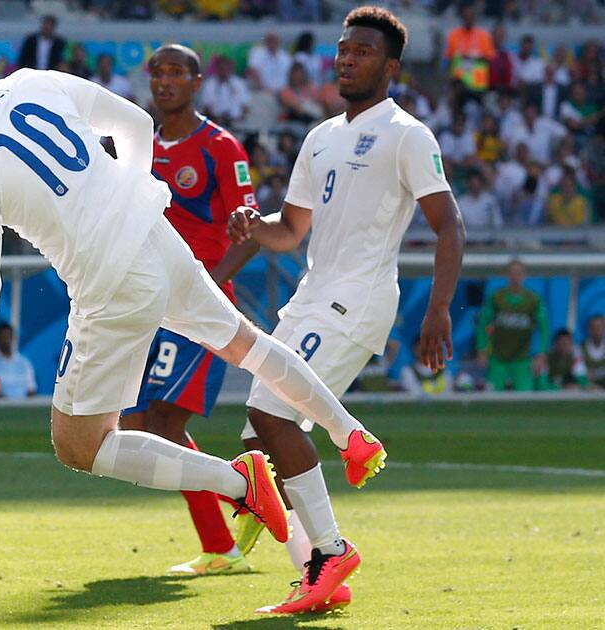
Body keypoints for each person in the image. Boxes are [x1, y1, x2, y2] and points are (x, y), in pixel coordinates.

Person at [0, 46, 389, 588]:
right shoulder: (29, 81)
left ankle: (241, 484)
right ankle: (350, 434)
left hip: (108, 281)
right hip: (153, 233)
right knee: (246, 343)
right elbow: (136, 122)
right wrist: (127, 196)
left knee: (79, 446)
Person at [227, 6, 464, 614]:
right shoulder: (320, 135)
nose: (347, 59)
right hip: (310, 296)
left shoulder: (407, 134)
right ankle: (317, 575)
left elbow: (449, 223)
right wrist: (258, 227)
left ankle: (331, 548)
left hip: (356, 300)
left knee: (271, 416)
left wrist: (438, 310)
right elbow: (293, 230)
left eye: (361, 52)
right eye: (342, 50)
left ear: (389, 65)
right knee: (259, 441)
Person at [119, 44, 262, 577]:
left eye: (176, 72)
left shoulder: (220, 147)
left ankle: (227, 531)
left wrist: (205, 283)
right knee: (135, 426)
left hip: (199, 307)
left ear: (198, 81)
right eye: (157, 72)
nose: (165, 81)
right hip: (149, 302)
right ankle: (241, 504)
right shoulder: (138, 146)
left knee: (165, 422)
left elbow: (250, 234)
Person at [476, 260, 549, 392]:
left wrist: (541, 353)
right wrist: (482, 349)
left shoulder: (533, 300)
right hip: (498, 359)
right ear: (507, 275)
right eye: (512, 273)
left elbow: (544, 327)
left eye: (519, 273)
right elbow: (483, 324)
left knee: (523, 400)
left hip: (521, 360)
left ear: (525, 275)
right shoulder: (496, 297)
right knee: (493, 398)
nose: (516, 276)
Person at [0, 322, 37, 399]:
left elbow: (32, 389)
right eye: (3, 336)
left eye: (8, 336)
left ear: (13, 338)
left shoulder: (24, 363)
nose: (6, 340)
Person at [580, 315, 605, 389]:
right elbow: (580, 373)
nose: (597, 330)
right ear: (589, 329)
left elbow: (591, 374)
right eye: (593, 327)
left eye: (600, 327)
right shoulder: (579, 348)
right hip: (587, 390)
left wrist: (597, 373)